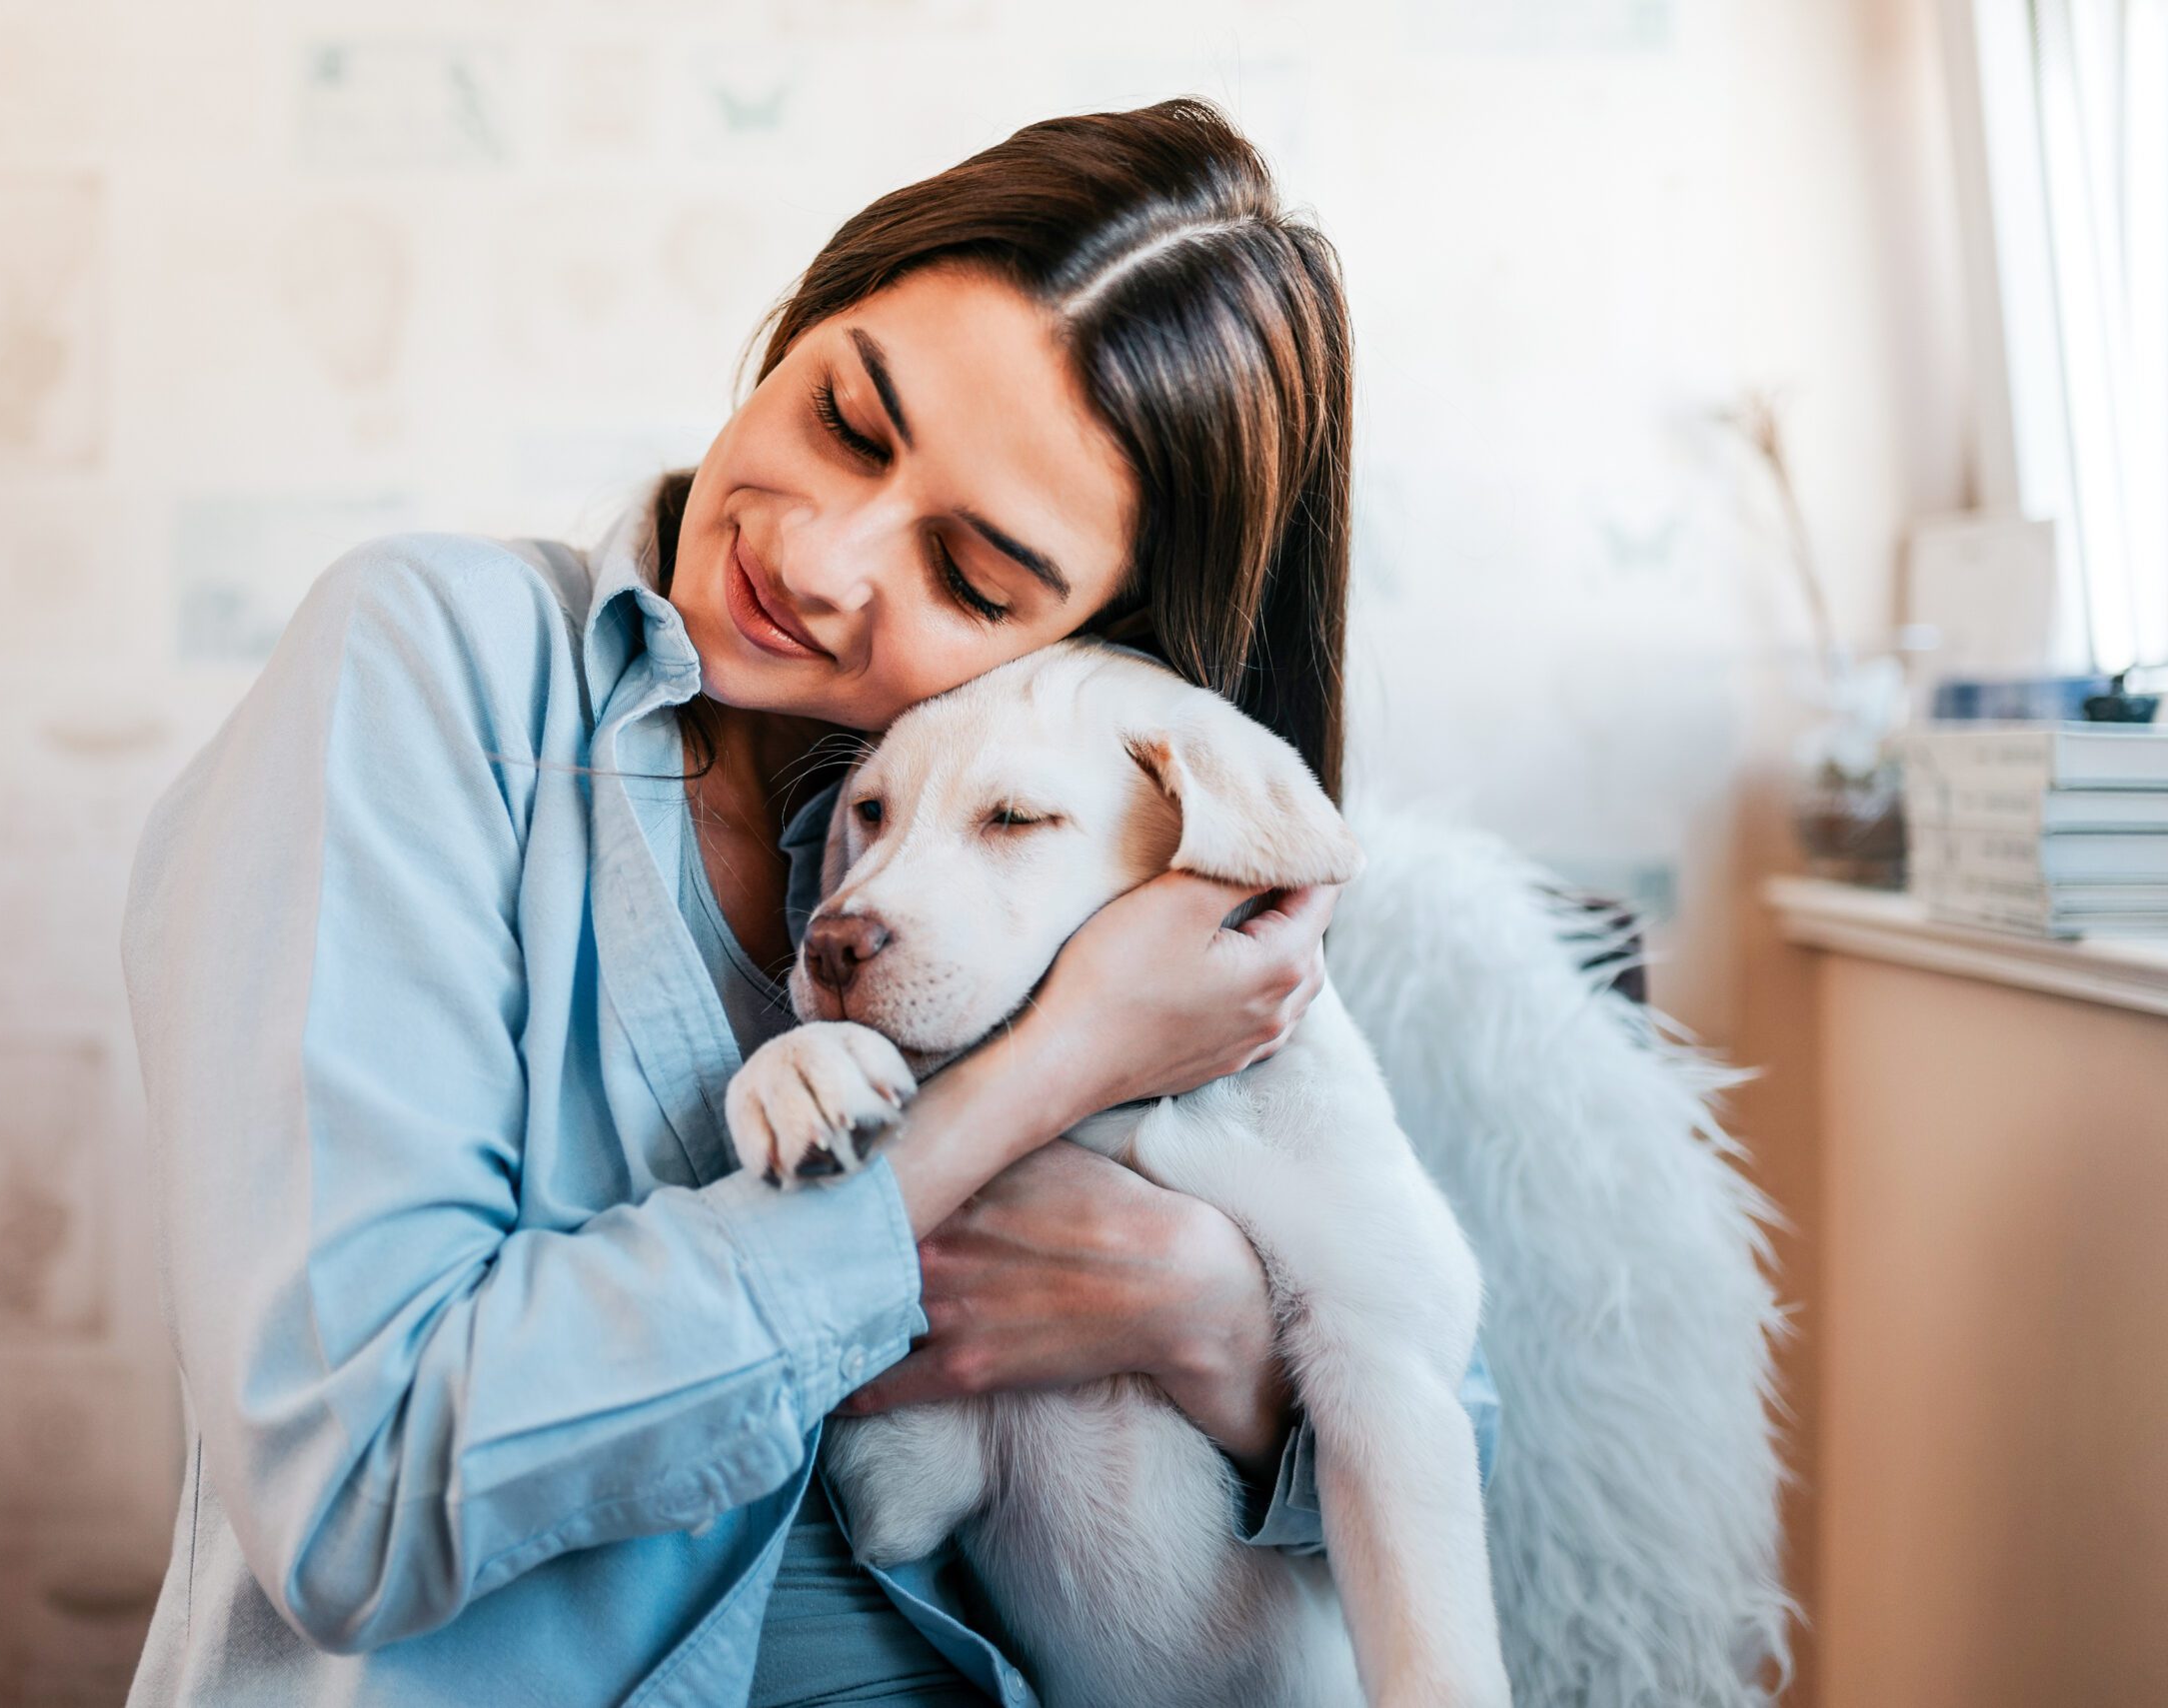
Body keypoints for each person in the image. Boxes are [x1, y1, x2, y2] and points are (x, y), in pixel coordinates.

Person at [120, 98, 1498, 1708]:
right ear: (803, 319)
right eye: (847, 416)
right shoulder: (430, 668)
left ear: (1091, 645)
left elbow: (1442, 1428)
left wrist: (1211, 1327)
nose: (824, 556)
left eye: (973, 579)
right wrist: (1035, 1084)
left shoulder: (1104, 846)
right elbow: (356, 1489)